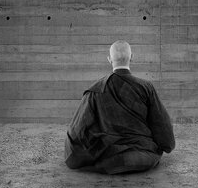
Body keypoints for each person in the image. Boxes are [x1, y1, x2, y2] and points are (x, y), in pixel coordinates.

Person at [64, 40, 175, 174]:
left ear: (109, 59)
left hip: (108, 156)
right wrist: (166, 146)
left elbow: (77, 131)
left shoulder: (95, 90)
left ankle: (113, 162)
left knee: (101, 160)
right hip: (142, 156)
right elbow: (162, 127)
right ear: (131, 57)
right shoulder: (146, 87)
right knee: (140, 157)